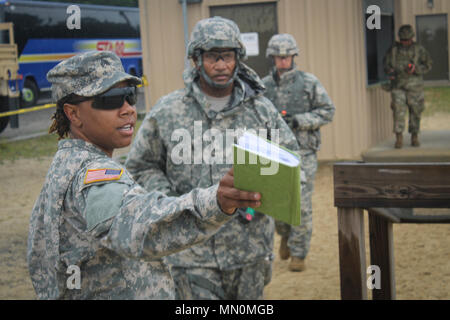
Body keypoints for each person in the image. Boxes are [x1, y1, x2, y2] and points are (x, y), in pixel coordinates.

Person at [27, 50, 263, 300]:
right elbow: (138, 226)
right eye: (111, 100)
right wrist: (216, 202)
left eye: (130, 96)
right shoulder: (92, 175)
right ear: (73, 113)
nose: (128, 109)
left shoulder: (65, 164)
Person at [125, 17, 301, 300]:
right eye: (212, 56)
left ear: (238, 58)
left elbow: (293, 164)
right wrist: (177, 203)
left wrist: (270, 192)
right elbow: (140, 166)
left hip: (250, 249)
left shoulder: (262, 111)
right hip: (191, 254)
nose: (221, 65)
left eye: (228, 56)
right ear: (196, 59)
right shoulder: (168, 111)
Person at [262, 34, 335, 272]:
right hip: (274, 152)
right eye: (279, 57)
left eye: (287, 56)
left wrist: (299, 120)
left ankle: (299, 253)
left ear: (294, 56)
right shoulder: (263, 86)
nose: (283, 61)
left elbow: (327, 111)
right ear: (272, 58)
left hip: (303, 152)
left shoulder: (309, 83)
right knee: (276, 204)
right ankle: (285, 234)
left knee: (301, 204)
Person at [383, 24, 432, 148]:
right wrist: (390, 71)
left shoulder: (419, 50)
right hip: (398, 86)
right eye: (403, 40)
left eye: (408, 40)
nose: (405, 42)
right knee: (398, 112)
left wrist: (416, 69)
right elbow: (386, 65)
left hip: (415, 87)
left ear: (412, 38)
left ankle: (414, 137)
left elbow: (428, 64)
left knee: (415, 112)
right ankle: (399, 138)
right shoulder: (393, 50)